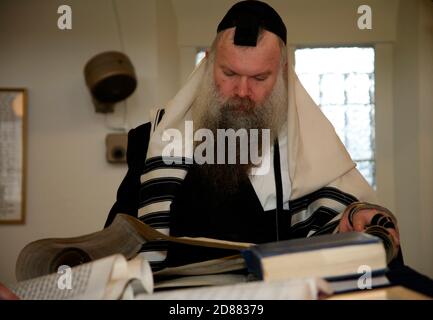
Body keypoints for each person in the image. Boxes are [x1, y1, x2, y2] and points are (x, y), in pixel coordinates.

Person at [104, 0, 400, 271]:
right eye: (229, 74)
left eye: (259, 78)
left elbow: (346, 227)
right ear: (207, 64)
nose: (242, 92)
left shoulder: (308, 153)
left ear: (283, 73)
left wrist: (357, 219)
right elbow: (118, 245)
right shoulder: (152, 143)